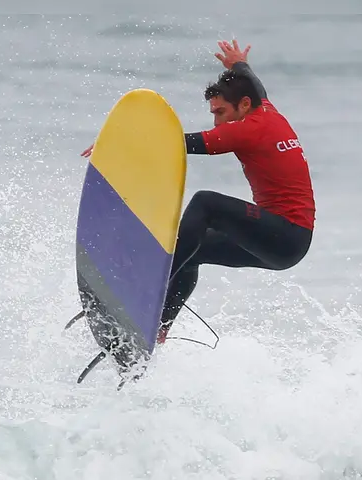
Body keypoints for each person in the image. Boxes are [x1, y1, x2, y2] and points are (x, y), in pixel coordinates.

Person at [81, 39, 315, 344]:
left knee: (207, 203)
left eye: (220, 112)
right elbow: (256, 86)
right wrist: (238, 65)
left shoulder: (247, 130)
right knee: (195, 250)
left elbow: (175, 143)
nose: (217, 121)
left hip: (285, 235)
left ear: (244, 105)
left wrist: (120, 143)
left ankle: (150, 282)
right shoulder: (266, 111)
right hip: (285, 243)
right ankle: (159, 326)